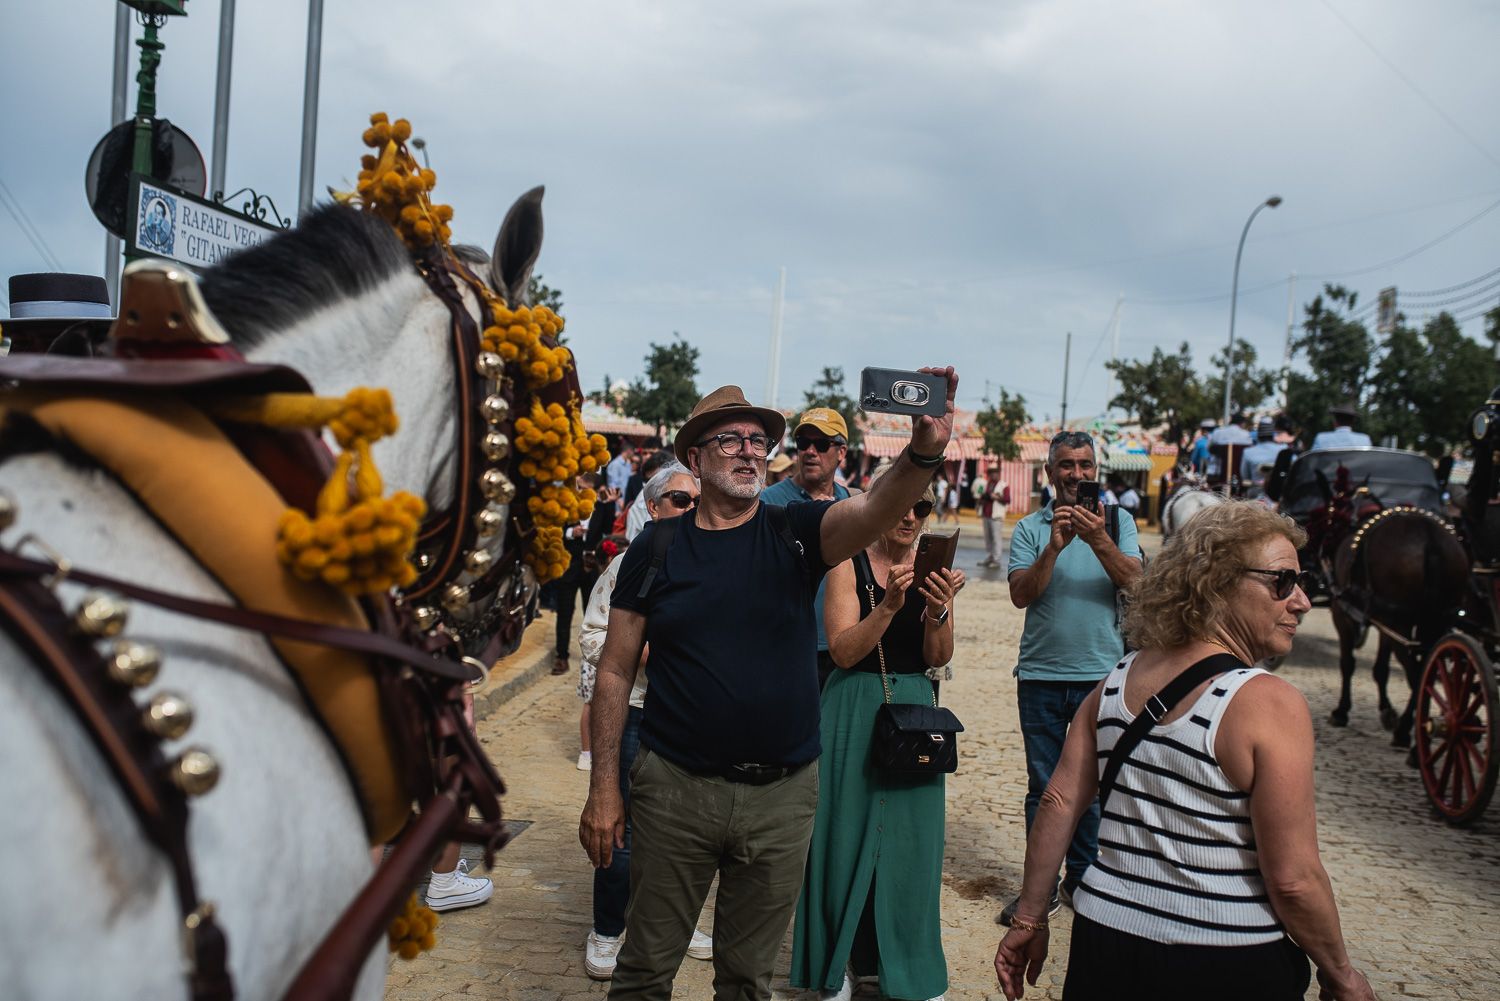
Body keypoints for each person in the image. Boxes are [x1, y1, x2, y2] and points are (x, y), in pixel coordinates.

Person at [580, 372, 959, 1001]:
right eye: (729, 440)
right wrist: (603, 790)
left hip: (782, 799)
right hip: (676, 789)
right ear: (694, 459)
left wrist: (923, 451)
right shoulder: (657, 548)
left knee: (748, 981)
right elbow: (616, 668)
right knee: (645, 972)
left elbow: (874, 509)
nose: (749, 449)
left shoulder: (797, 531)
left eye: (758, 440)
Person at [994, 502, 1377, 1001]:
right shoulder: (1268, 702)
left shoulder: (1118, 679)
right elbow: (1293, 879)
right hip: (1223, 955)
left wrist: (1029, 918)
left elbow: (1059, 802)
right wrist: (1341, 972)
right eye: (1283, 582)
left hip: (1104, 940)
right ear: (1217, 584)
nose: (1302, 601)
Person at [791, 469, 964, 1001]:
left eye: (923, 509)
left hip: (914, 712)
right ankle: (836, 966)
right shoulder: (848, 563)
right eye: (903, 507)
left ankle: (907, 967)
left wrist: (937, 609)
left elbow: (939, 657)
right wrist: (889, 605)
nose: (911, 517)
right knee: (840, 840)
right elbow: (842, 651)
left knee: (913, 847)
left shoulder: (933, 570)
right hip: (853, 707)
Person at [576, 461, 714, 978]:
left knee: (689, 830)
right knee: (621, 828)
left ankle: (678, 922)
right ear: (653, 507)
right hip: (635, 713)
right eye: (679, 500)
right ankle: (608, 930)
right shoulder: (630, 563)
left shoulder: (709, 562)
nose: (689, 509)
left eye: (695, 502)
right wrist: (646, 653)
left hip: (692, 716)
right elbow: (592, 638)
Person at [999, 430, 1142, 925]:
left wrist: (1098, 538)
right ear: (1050, 473)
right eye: (1066, 465)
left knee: (1095, 788)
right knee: (1043, 789)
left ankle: (1082, 879)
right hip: (1038, 676)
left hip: (1101, 678)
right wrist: (1054, 547)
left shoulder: (1120, 521)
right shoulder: (1030, 528)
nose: (1076, 475)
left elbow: (1138, 583)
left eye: (1084, 465)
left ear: (1095, 471)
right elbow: (1021, 593)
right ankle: (1039, 892)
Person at [762, 406, 853, 690]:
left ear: (841, 452)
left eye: (822, 443)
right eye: (804, 443)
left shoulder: (849, 502)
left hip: (840, 644)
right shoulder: (768, 502)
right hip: (783, 642)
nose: (811, 451)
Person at [552, 473, 614, 677]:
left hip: (591, 567)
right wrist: (571, 533)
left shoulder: (602, 506)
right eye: (579, 487)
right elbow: (555, 529)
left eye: (583, 487)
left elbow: (608, 530)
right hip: (569, 565)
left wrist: (610, 505)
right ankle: (561, 656)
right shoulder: (569, 505)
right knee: (565, 611)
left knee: (594, 612)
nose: (579, 491)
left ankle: (593, 658)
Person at [623, 449, 675, 541]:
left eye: (662, 479)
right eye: (650, 481)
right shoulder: (638, 507)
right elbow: (631, 543)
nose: (656, 486)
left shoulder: (691, 500)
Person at [974, 465, 1010, 569]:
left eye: (994, 473)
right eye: (990, 473)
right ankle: (991, 556)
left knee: (996, 538)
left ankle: (996, 559)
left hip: (996, 515)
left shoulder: (1004, 485)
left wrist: (996, 497)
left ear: (998, 474)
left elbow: (1007, 500)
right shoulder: (987, 484)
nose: (992, 475)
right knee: (988, 537)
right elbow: (982, 495)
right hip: (986, 513)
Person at [1241, 416, 1289, 494]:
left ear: (1258, 435)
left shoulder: (1248, 452)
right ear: (1273, 435)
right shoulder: (1284, 449)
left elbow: (1245, 478)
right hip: (1278, 496)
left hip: (1255, 498)